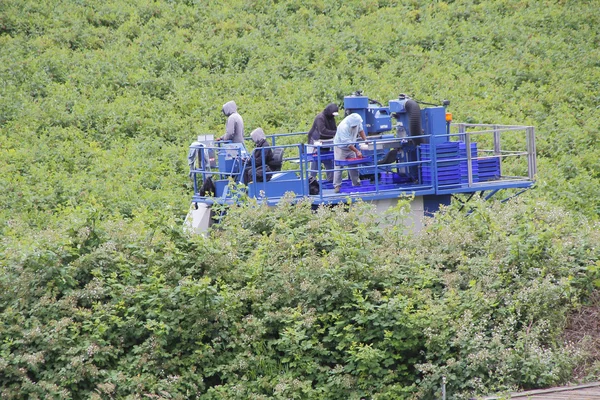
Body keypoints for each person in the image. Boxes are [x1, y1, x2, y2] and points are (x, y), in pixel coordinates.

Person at [332, 113, 367, 193]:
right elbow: (347, 143)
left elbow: (361, 130)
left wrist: (366, 140)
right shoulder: (343, 127)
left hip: (351, 146)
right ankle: (337, 186)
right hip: (341, 147)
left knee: (353, 166)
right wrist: (357, 151)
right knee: (338, 166)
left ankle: (356, 183)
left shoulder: (358, 122)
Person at [307, 103, 339, 182]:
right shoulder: (320, 118)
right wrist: (336, 133)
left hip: (325, 143)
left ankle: (331, 179)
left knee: (328, 160)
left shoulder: (331, 118)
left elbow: (335, 128)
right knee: (315, 161)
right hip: (315, 142)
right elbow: (322, 131)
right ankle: (311, 181)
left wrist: (336, 132)